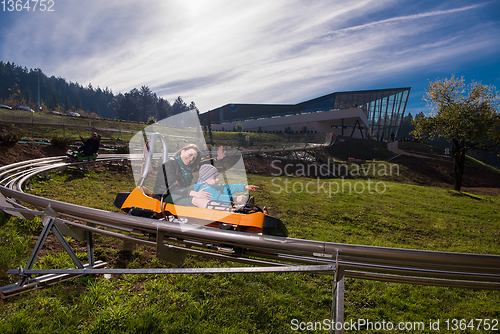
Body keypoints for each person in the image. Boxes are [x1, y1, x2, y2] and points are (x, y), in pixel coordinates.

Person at [152, 144, 225, 206]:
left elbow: (201, 164)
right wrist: (193, 193)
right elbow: (171, 187)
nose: (191, 159)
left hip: (179, 194)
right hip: (164, 196)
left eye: (194, 158)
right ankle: (226, 213)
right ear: (182, 151)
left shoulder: (187, 168)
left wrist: (217, 158)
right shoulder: (169, 164)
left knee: (205, 197)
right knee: (198, 201)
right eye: (190, 154)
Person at [192, 164, 259, 208]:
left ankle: (243, 206)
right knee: (232, 208)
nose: (217, 179)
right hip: (208, 212)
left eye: (217, 177)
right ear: (206, 179)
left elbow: (227, 188)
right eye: (214, 178)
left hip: (214, 208)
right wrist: (235, 199)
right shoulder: (205, 189)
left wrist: (244, 187)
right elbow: (218, 198)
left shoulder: (212, 186)